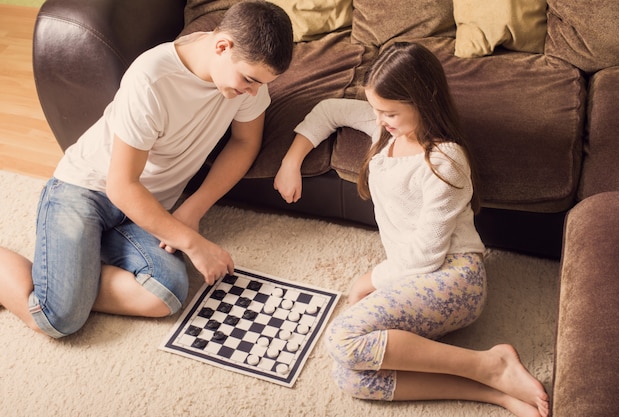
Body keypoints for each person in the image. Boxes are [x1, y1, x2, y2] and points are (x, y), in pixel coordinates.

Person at [274, 42, 550, 417]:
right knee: (352, 377)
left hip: (455, 276)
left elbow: (427, 254)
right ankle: (492, 392)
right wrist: (291, 162)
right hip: (414, 279)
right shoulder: (386, 132)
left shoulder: (444, 159)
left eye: (389, 112)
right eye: (375, 110)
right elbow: (328, 111)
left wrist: (370, 279)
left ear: (423, 101)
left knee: (343, 337)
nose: (380, 119)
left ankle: (491, 366)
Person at [0, 0, 293, 338]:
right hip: (86, 190)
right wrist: (195, 244)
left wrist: (191, 212)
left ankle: (69, 277)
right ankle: (58, 287)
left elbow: (244, 143)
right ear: (222, 46)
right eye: (250, 80)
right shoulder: (152, 77)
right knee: (57, 319)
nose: (254, 91)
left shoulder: (248, 82)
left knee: (165, 293)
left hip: (146, 205)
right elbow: (121, 186)